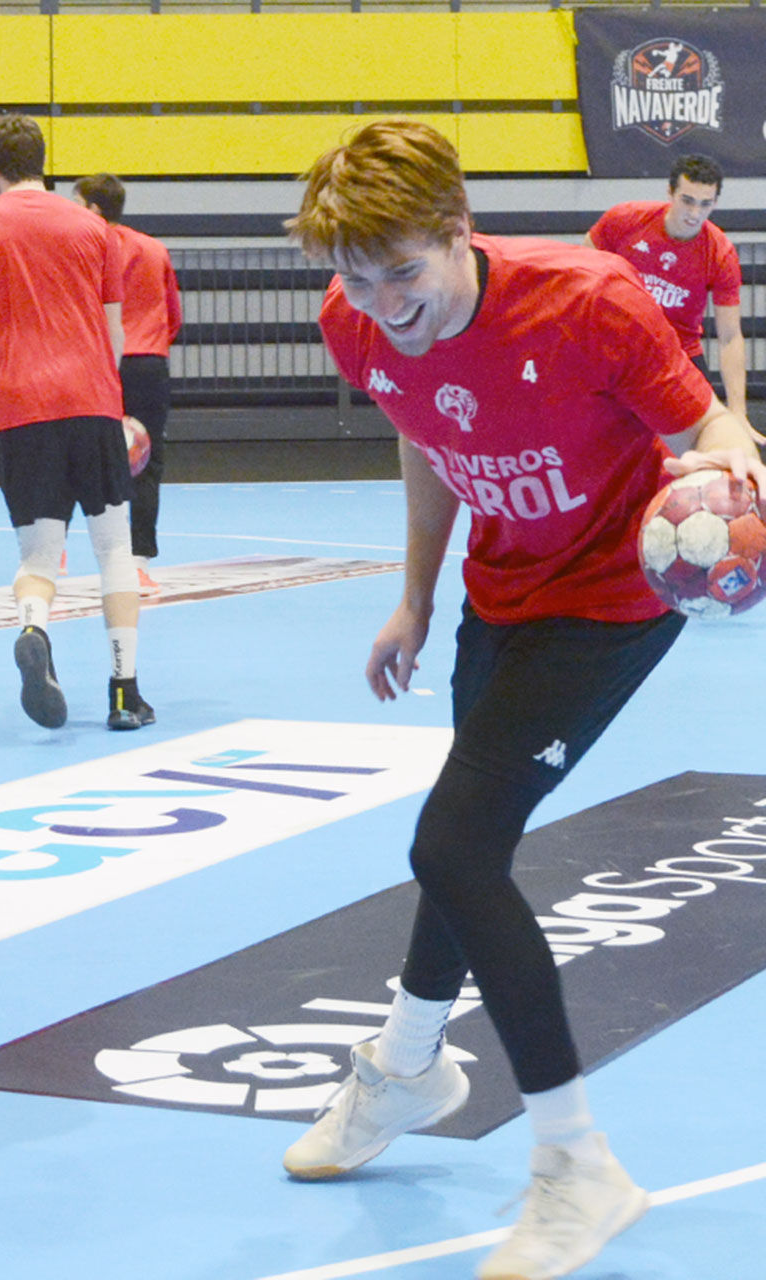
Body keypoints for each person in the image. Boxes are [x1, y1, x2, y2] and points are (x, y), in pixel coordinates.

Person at [280, 120, 761, 1280]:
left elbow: (707, 421)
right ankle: (405, 1068)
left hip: (610, 604)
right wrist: (412, 595)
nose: (383, 301)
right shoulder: (358, 325)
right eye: (354, 277)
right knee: (468, 844)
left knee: (451, 843)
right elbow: (425, 437)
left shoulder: (585, 301)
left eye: (402, 270)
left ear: (457, 232)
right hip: (501, 587)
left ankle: (576, 1161)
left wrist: (740, 467)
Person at [0, 114, 152, 732]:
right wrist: (103, 393)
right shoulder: (94, 228)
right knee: (115, 550)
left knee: (39, 556)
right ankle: (124, 693)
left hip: (18, 409)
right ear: (42, 161)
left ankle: (34, 627)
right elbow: (115, 333)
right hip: (90, 403)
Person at [74, 171, 182, 593]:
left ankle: (57, 548)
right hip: (148, 364)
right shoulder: (154, 249)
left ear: (95, 210)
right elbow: (173, 313)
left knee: (82, 452)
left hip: (100, 361)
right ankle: (138, 562)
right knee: (146, 460)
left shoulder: (87, 249)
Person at [587, 154, 746, 426]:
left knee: (709, 434)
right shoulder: (625, 220)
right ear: (670, 192)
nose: (695, 214)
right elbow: (584, 276)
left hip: (680, 353)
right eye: (687, 201)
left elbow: (730, 337)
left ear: (715, 203)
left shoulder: (719, 253)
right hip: (620, 346)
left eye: (705, 204)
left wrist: (739, 413)